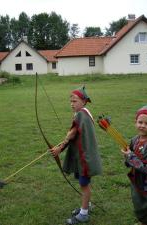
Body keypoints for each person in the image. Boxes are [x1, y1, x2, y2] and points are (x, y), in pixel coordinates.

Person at [50, 86, 102, 225]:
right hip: (85, 156)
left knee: (84, 184)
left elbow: (71, 134)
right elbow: (74, 133)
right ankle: (86, 206)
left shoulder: (81, 114)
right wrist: (60, 147)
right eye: (71, 101)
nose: (72, 104)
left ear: (84, 101)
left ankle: (84, 213)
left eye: (75, 101)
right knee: (84, 183)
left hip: (86, 158)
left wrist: (59, 148)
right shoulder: (84, 113)